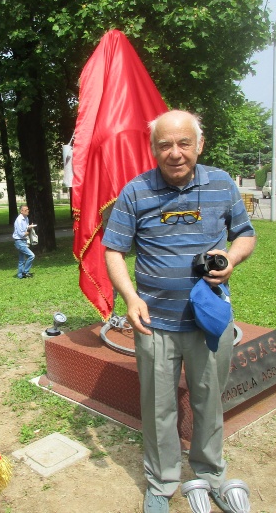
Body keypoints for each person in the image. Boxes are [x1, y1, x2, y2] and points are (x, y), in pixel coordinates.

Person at [102, 110, 257, 513]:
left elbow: (246, 234)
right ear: (153, 148)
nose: (174, 153)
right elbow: (114, 249)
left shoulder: (222, 184)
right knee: (158, 408)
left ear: (199, 145)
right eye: (165, 144)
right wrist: (131, 298)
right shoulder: (135, 191)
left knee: (209, 400)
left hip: (210, 321)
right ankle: (162, 481)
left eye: (183, 143)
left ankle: (210, 473)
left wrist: (231, 257)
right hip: (155, 324)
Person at [12, 205, 36, 279]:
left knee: (21, 260)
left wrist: (29, 227)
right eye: (25, 210)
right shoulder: (19, 220)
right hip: (19, 241)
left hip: (23, 240)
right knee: (32, 256)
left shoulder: (26, 218)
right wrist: (28, 231)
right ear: (21, 211)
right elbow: (21, 234)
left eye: (28, 209)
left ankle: (20, 275)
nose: (27, 211)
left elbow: (25, 228)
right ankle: (25, 272)